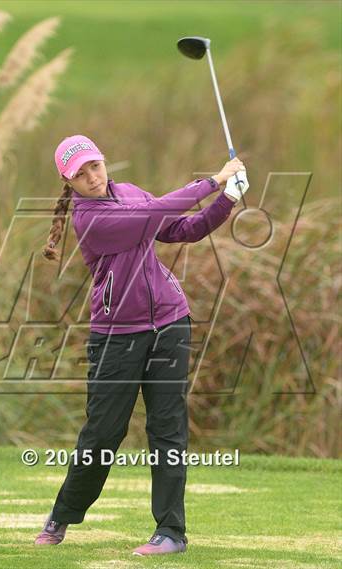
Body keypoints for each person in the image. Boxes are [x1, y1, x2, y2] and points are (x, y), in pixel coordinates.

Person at [35, 134, 249, 556]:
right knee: (102, 434)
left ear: (103, 160)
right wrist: (212, 181)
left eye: (95, 165)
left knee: (168, 430)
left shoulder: (129, 193)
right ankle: (63, 514)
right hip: (117, 335)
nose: (93, 177)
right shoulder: (90, 219)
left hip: (170, 323)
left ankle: (171, 533)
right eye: (81, 174)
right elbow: (155, 212)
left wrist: (228, 198)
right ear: (69, 181)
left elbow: (184, 228)